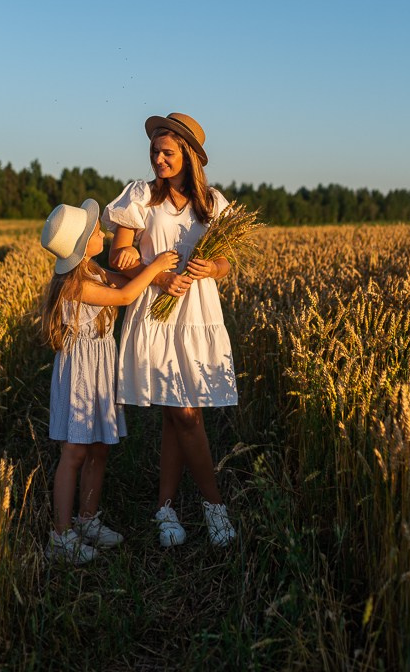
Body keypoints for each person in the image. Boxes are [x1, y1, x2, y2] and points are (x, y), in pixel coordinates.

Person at [102, 112, 238, 548]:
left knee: (177, 414)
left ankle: (165, 507)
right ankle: (214, 507)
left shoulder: (212, 203)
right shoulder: (140, 197)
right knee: (182, 412)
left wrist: (209, 267)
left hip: (197, 312)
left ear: (190, 157)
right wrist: (158, 276)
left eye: (167, 152)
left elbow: (227, 264)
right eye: (154, 152)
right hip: (156, 311)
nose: (158, 159)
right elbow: (119, 254)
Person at [40, 198, 178, 564]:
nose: (103, 231)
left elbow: (132, 286)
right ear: (85, 245)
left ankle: (87, 520)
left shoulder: (95, 272)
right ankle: (60, 535)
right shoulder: (74, 285)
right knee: (75, 451)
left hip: (101, 366)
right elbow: (125, 295)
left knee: (99, 447)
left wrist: (159, 277)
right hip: (81, 372)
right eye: (96, 231)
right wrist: (159, 264)